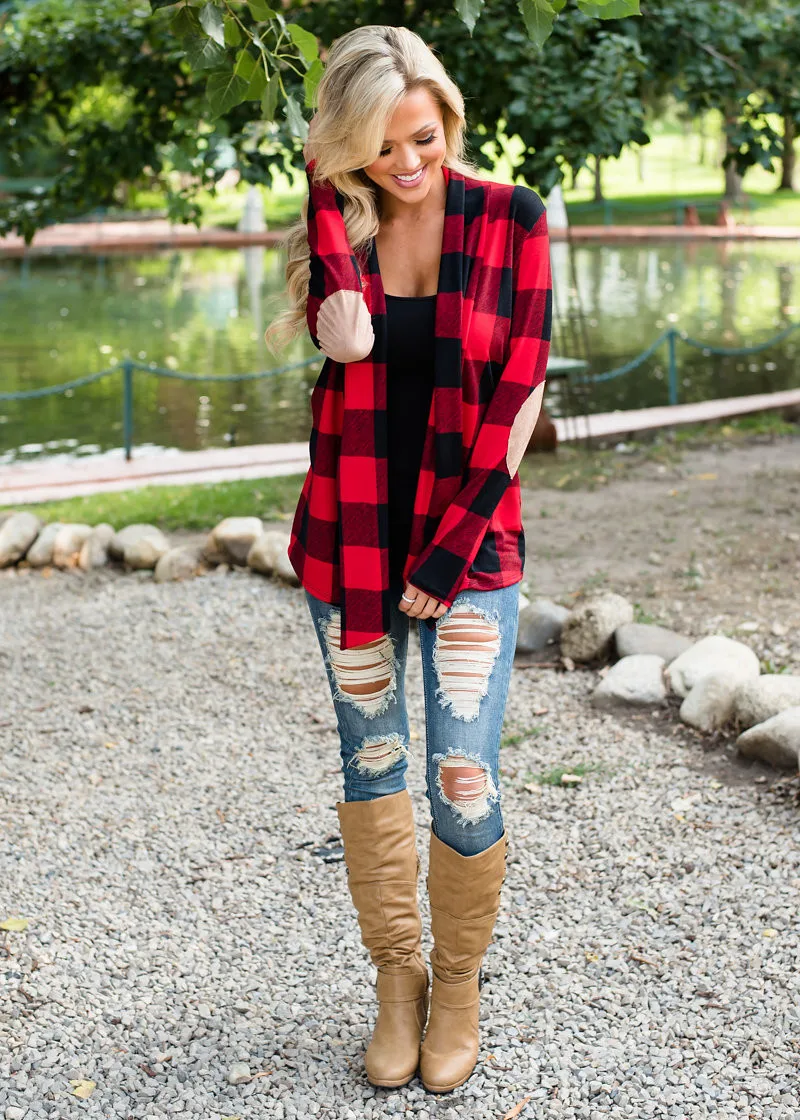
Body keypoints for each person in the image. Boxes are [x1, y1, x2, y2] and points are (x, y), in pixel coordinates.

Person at [266, 24, 552, 1095]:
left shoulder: (512, 217)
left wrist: (446, 553)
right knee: (373, 764)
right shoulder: (341, 228)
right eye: (378, 146)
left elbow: (519, 397)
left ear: (449, 121)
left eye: (422, 138)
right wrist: (322, 186)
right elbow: (346, 339)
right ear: (344, 148)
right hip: (349, 545)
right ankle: (397, 979)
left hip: (466, 547)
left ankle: (458, 985)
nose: (406, 163)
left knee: (462, 776)